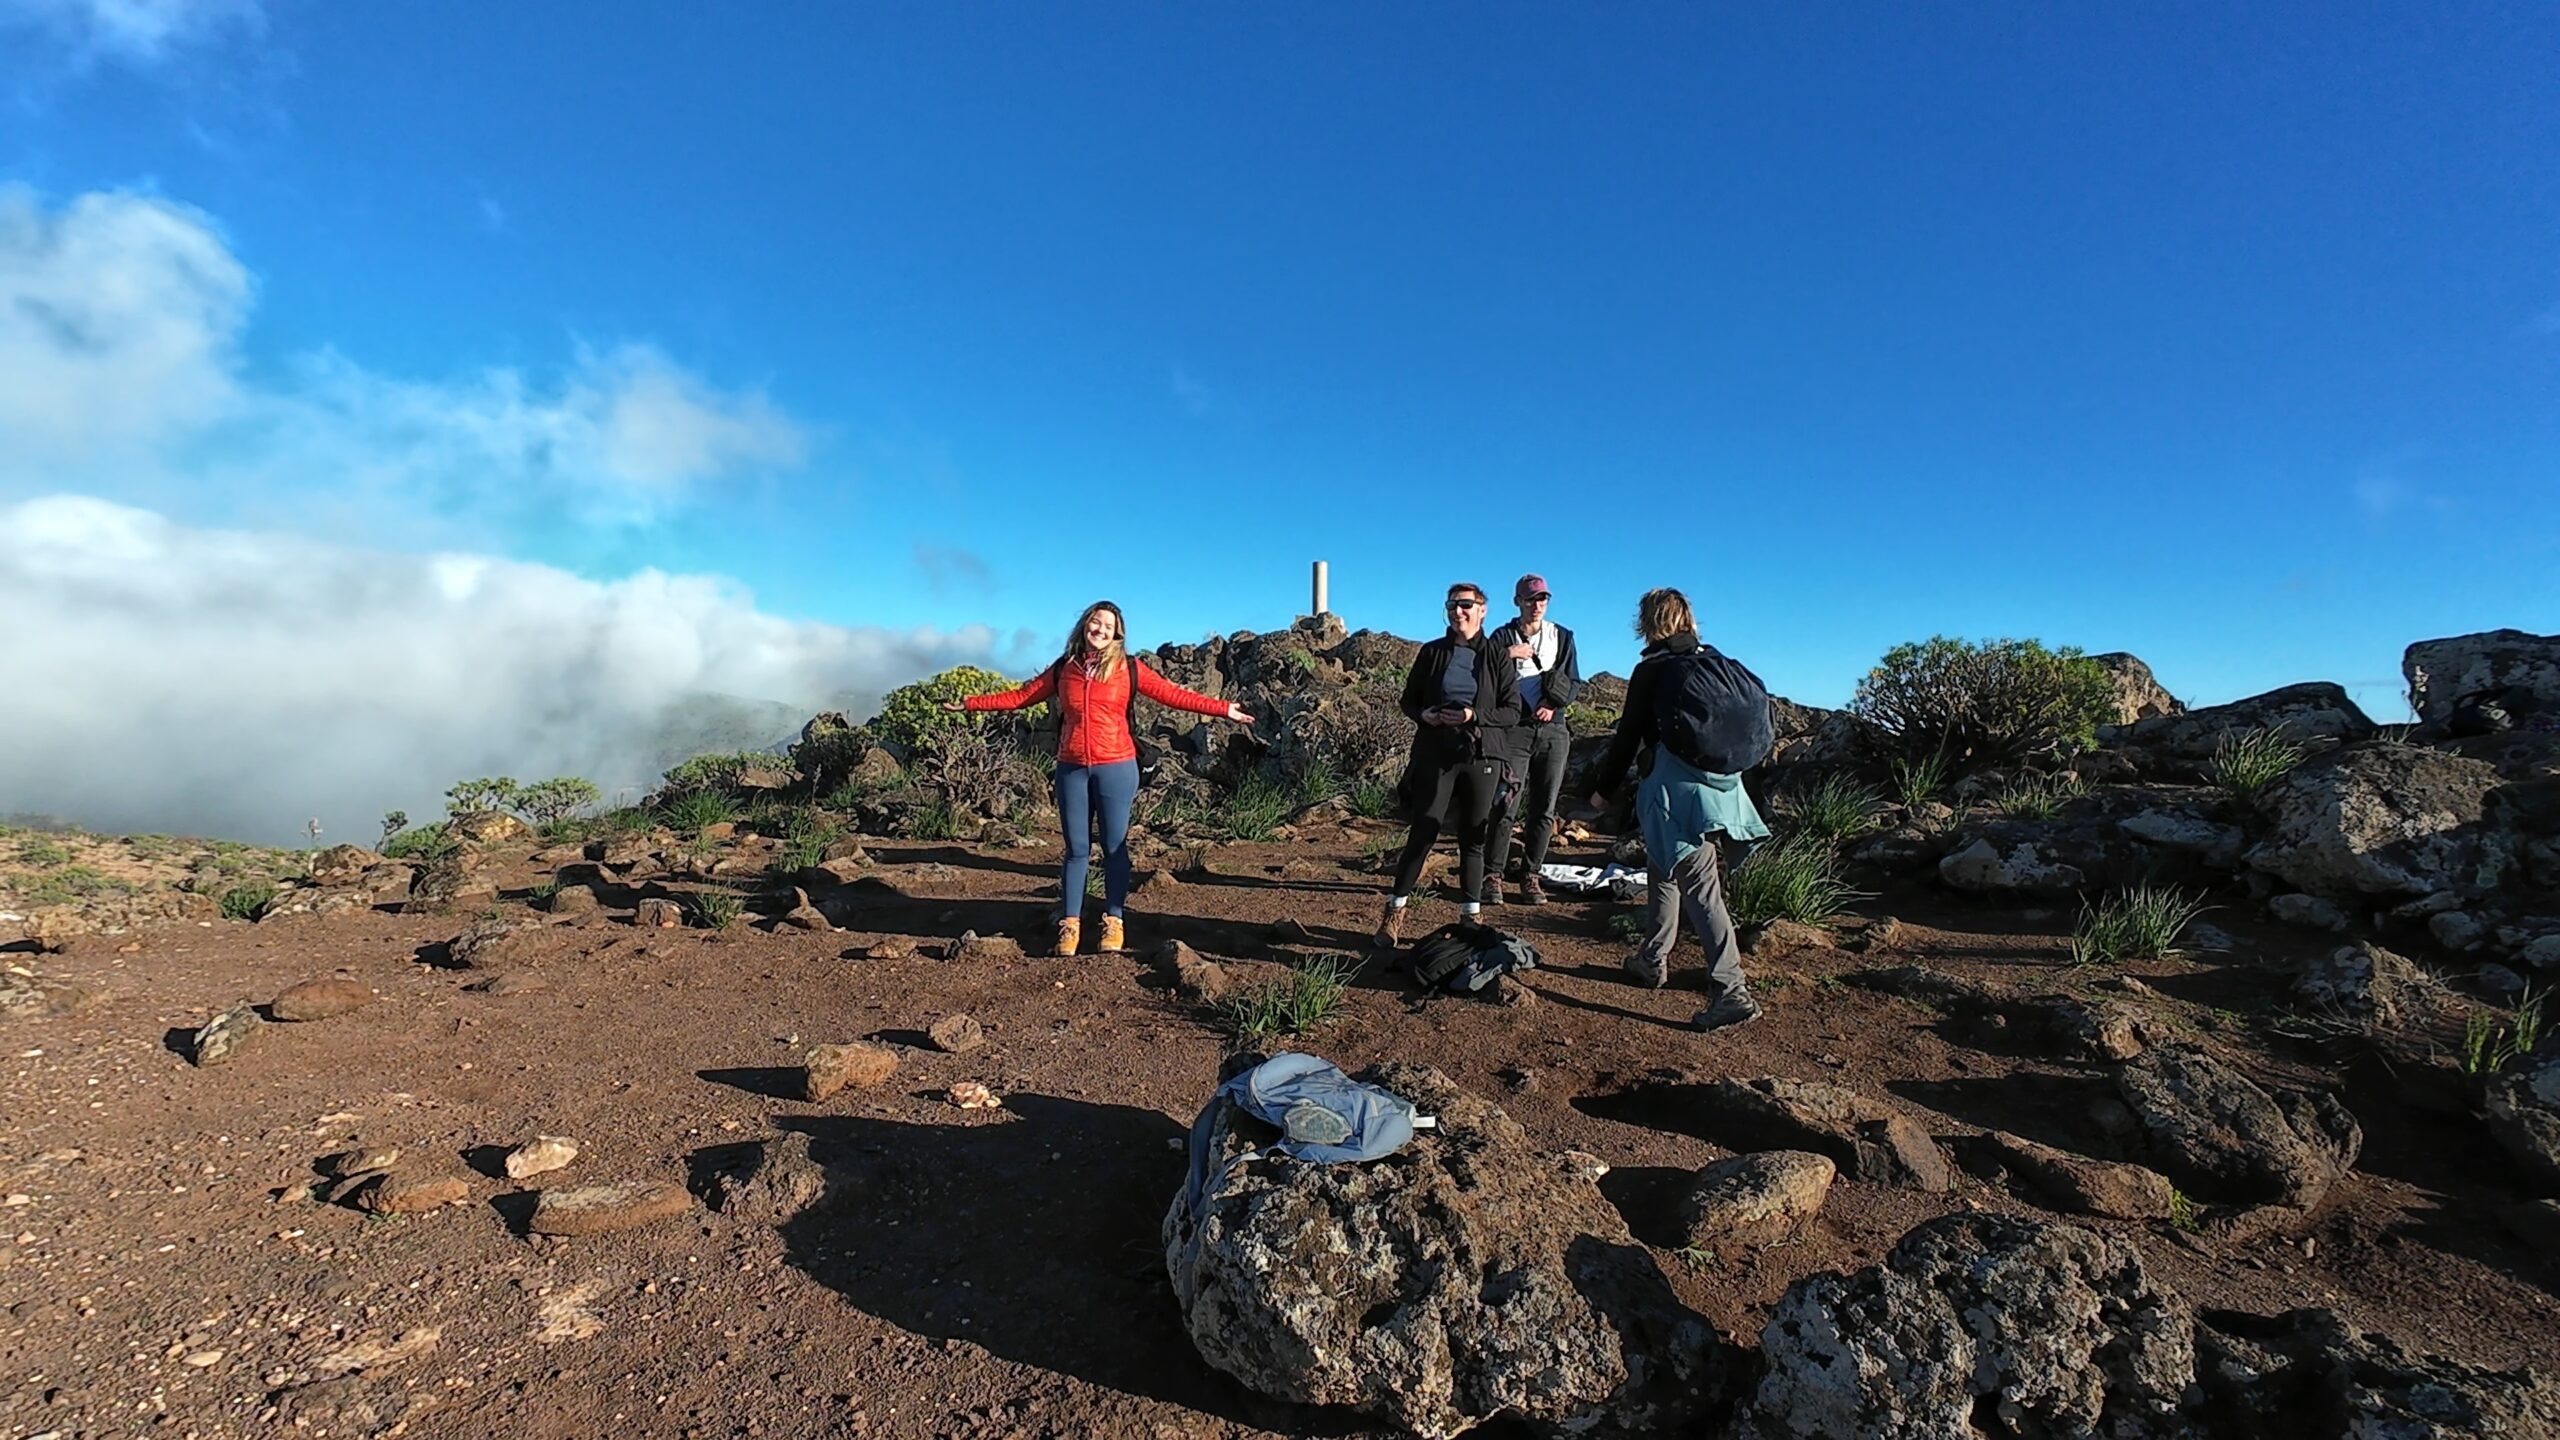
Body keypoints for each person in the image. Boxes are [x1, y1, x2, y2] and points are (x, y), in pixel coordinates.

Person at [954, 601, 1252, 956]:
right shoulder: (1065, 668)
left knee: (1114, 847)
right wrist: (971, 703)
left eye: (1108, 626)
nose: (1100, 630)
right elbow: (1021, 697)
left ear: (1117, 634)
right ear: (1084, 626)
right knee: (1076, 850)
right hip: (1072, 768)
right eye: (1095, 623)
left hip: (1117, 767)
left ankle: (1114, 920)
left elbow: (1175, 696)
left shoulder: (1129, 668)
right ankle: (1070, 924)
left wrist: (1223, 709)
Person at [1583, 587, 1773, 1031]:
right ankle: (1652, 959)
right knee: (1661, 865)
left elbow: (1627, 737)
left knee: (1700, 884)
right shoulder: (1716, 660)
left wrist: (1601, 794)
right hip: (1722, 786)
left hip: (1675, 790)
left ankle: (1731, 990)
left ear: (1647, 621)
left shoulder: (1652, 670)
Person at [1376, 582, 1523, 948]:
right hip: (1435, 751)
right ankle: (1394, 914)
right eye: (1452, 605)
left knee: (1473, 837)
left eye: (1466, 605)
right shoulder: (1432, 652)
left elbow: (1512, 710)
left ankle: (1471, 917)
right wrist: (1425, 714)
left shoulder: (1496, 656)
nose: (1459, 612)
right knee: (1422, 832)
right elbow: (1407, 701)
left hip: (1480, 755)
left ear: (1483, 609)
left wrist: (1474, 715)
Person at [1484, 573, 1581, 906]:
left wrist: (1553, 704)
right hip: (1515, 730)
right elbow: (1484, 674)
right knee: (1505, 800)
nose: (1537, 605)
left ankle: (1531, 875)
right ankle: (1492, 875)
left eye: (1542, 599)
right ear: (1517, 602)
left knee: (1544, 808)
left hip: (1553, 730)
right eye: (1530, 599)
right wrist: (1509, 653)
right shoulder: (1500, 637)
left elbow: (1573, 681)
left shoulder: (1563, 636)